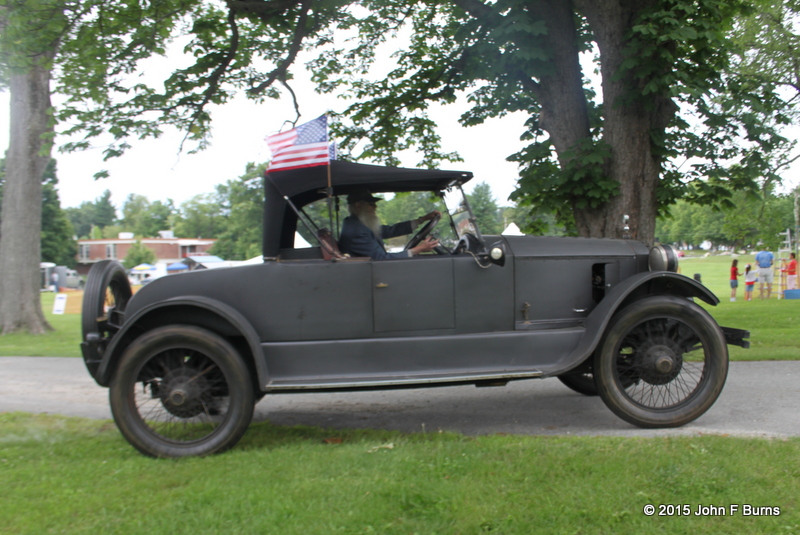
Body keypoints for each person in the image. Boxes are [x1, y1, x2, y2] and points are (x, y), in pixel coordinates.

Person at [339, 188, 441, 259]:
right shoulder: (356, 231)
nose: (375, 207)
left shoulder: (359, 224)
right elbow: (380, 258)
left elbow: (390, 230)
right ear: (358, 205)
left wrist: (422, 219)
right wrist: (418, 249)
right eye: (371, 204)